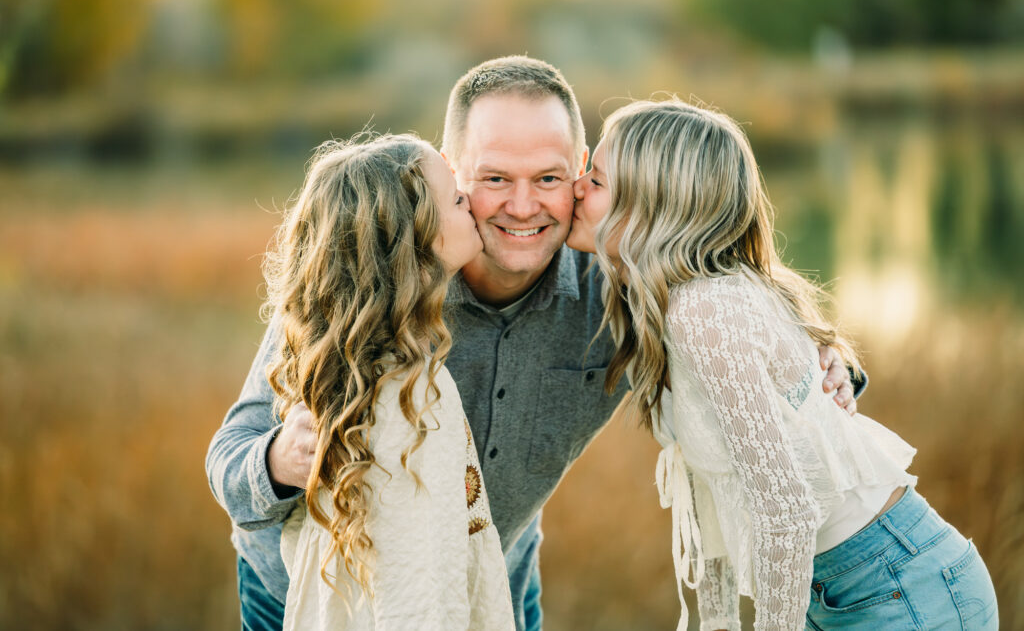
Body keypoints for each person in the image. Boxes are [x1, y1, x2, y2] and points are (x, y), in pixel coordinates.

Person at [205, 57, 859, 631]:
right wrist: (276, 462)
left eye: (548, 178)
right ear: (450, 174)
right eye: (494, 180)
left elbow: (743, 319)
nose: (523, 206)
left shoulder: (625, 290)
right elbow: (229, 460)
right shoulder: (379, 287)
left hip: (497, 587)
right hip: (303, 592)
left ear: (582, 174)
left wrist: (827, 362)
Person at [567, 98, 999, 630]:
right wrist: (718, 622)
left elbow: (788, 515)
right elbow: (709, 490)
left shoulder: (704, 311)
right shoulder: (674, 302)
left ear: (653, 207)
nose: (576, 187)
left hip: (900, 591)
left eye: (597, 179)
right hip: (847, 589)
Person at [261, 133, 513, 629]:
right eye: (459, 199)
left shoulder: (346, 373)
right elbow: (419, 591)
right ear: (416, 241)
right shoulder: (413, 397)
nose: (472, 204)